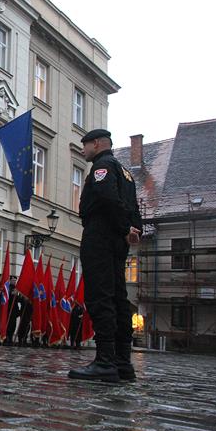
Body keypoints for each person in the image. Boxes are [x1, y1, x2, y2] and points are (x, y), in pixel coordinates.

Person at [69, 129, 142, 383]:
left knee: (100, 297)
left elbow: (107, 198)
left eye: (85, 145)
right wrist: (132, 230)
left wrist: (123, 227)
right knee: (119, 298)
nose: (82, 150)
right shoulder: (126, 173)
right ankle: (123, 362)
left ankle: (105, 361)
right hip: (117, 240)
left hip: (101, 234)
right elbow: (134, 207)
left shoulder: (102, 167)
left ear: (97, 144)